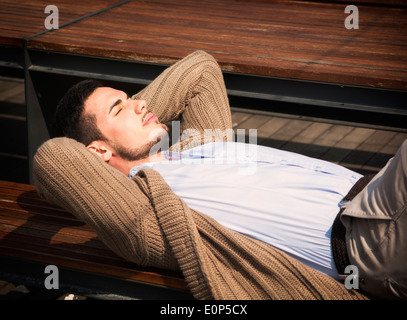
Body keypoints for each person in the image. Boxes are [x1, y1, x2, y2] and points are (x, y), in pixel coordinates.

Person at [44, 50, 406, 299]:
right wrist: (108, 143)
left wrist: (132, 120)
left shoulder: (196, 143)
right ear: (97, 153)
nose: (141, 103)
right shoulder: (147, 218)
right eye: (119, 107)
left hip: (376, 194)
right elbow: (53, 157)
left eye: (133, 97)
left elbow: (199, 69)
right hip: (367, 244)